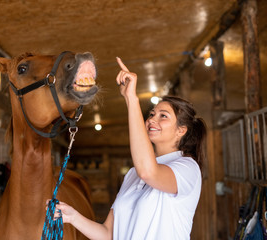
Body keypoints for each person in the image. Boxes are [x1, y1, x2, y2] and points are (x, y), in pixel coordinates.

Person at [50, 57, 207, 240]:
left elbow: (149, 172)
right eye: (152, 114)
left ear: (181, 130)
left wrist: (131, 98)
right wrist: (72, 216)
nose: (152, 120)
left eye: (163, 116)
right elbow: (108, 234)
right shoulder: (133, 174)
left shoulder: (187, 168)